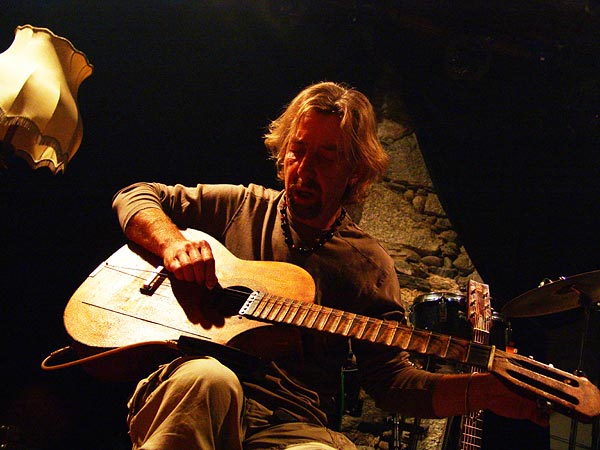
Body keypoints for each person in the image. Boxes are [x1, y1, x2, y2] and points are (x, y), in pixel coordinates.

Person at [112, 81, 547, 450]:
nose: (303, 170)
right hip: (192, 387)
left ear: (354, 172)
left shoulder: (366, 266)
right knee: (212, 378)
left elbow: (393, 381)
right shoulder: (239, 206)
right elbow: (134, 196)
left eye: (325, 157)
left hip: (291, 423)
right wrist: (173, 244)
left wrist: (482, 391)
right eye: (297, 151)